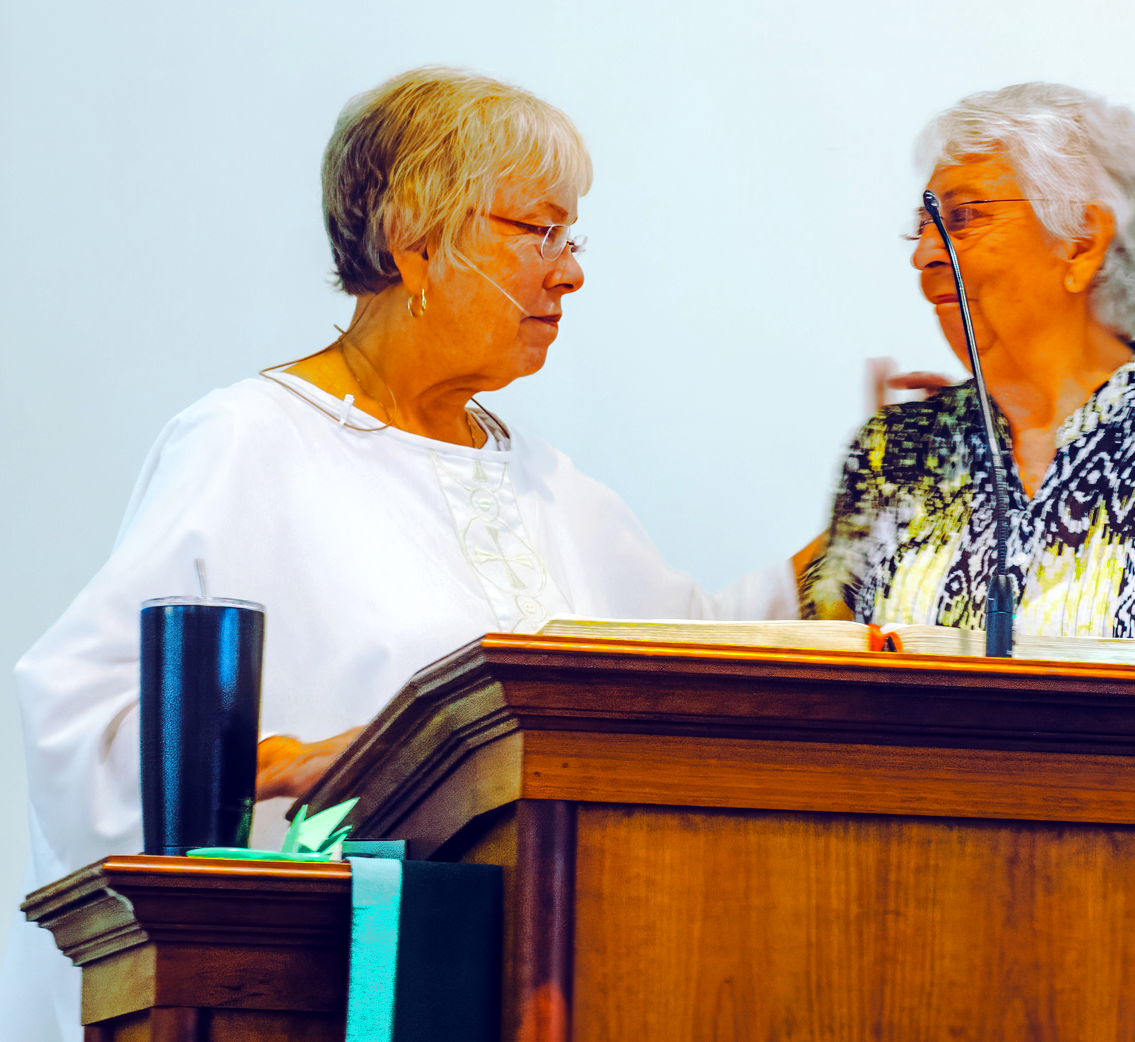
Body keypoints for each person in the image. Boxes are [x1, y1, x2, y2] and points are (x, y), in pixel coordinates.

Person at [1, 66, 797, 1041]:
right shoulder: (250, 443)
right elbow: (83, 718)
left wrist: (875, 516)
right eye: (535, 229)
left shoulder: (544, 483)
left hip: (538, 977)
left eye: (571, 235)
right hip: (314, 987)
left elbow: (692, 646)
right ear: (415, 243)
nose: (570, 269)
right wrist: (283, 762)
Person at [801, 83, 1135, 673]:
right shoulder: (892, 452)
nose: (925, 253)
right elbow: (814, 689)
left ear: (1081, 244)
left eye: (962, 218)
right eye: (923, 227)